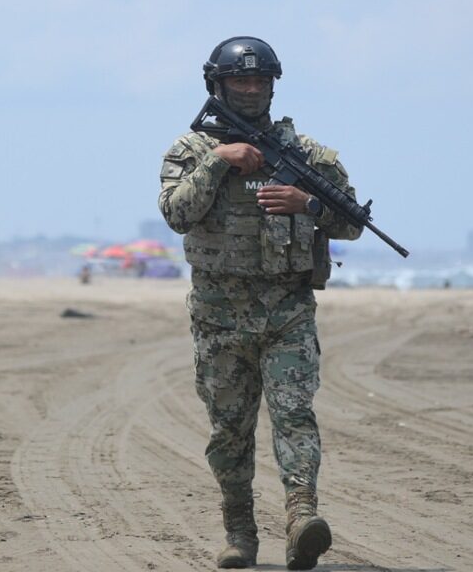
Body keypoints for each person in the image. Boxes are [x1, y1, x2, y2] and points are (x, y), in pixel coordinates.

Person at [158, 36, 363, 569]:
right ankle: (240, 533)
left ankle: (301, 517)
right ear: (217, 87)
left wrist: (308, 202)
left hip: (286, 311)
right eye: (239, 82)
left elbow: (353, 223)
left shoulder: (306, 156)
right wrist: (219, 163)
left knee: (295, 414)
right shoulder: (191, 151)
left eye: (259, 82)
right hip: (218, 316)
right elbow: (177, 214)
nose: (250, 90)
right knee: (230, 430)